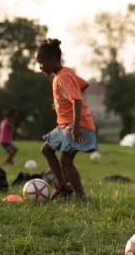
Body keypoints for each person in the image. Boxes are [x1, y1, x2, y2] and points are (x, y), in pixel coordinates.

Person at [35, 38, 97, 200]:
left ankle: (81, 195)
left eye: (41, 62)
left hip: (76, 125)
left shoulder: (63, 77)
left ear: (53, 59)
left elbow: (76, 100)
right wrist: (60, 101)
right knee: (47, 150)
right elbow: (83, 85)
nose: (40, 67)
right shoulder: (65, 73)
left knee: (66, 161)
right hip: (65, 125)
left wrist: (76, 128)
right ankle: (63, 186)